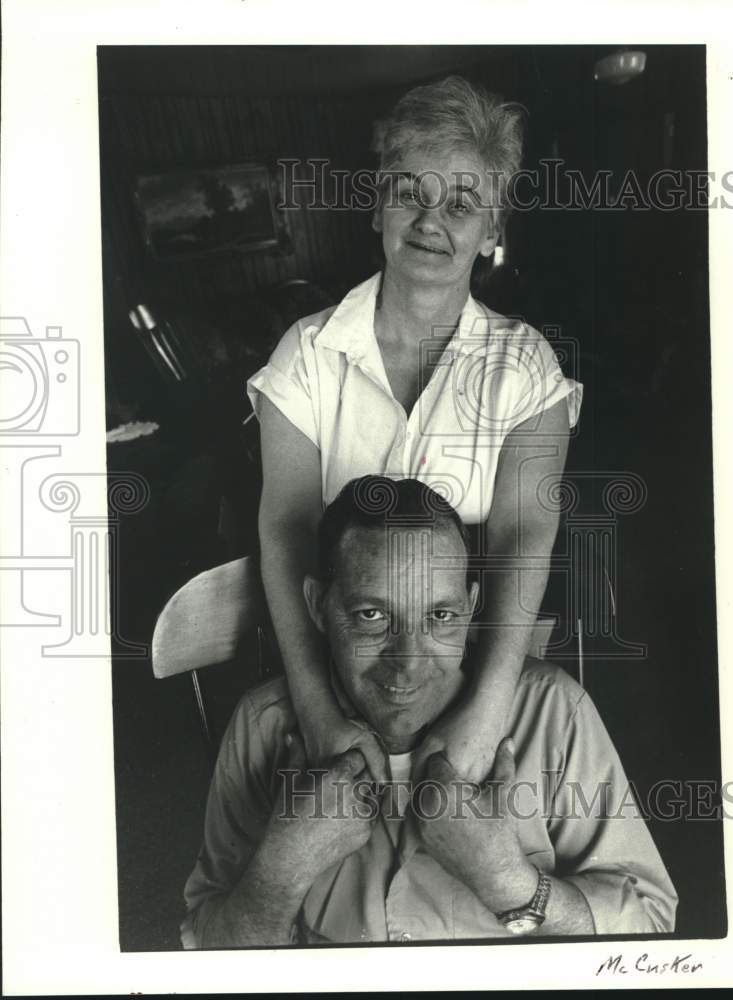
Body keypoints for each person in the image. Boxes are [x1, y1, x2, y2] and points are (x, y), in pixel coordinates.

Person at [249, 75, 583, 786]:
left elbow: (525, 536)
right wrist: (316, 711)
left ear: (492, 230)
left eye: (462, 203)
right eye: (410, 191)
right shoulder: (307, 354)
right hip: (341, 678)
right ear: (377, 203)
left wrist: (485, 712)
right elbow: (284, 527)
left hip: (467, 680)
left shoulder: (523, 366)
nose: (432, 219)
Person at [181, 477, 677, 947]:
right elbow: (208, 953)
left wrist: (509, 882)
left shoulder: (553, 713)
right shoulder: (262, 723)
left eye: (440, 617)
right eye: (371, 616)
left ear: (471, 606)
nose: (409, 663)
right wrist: (282, 872)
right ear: (317, 606)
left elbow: (651, 928)